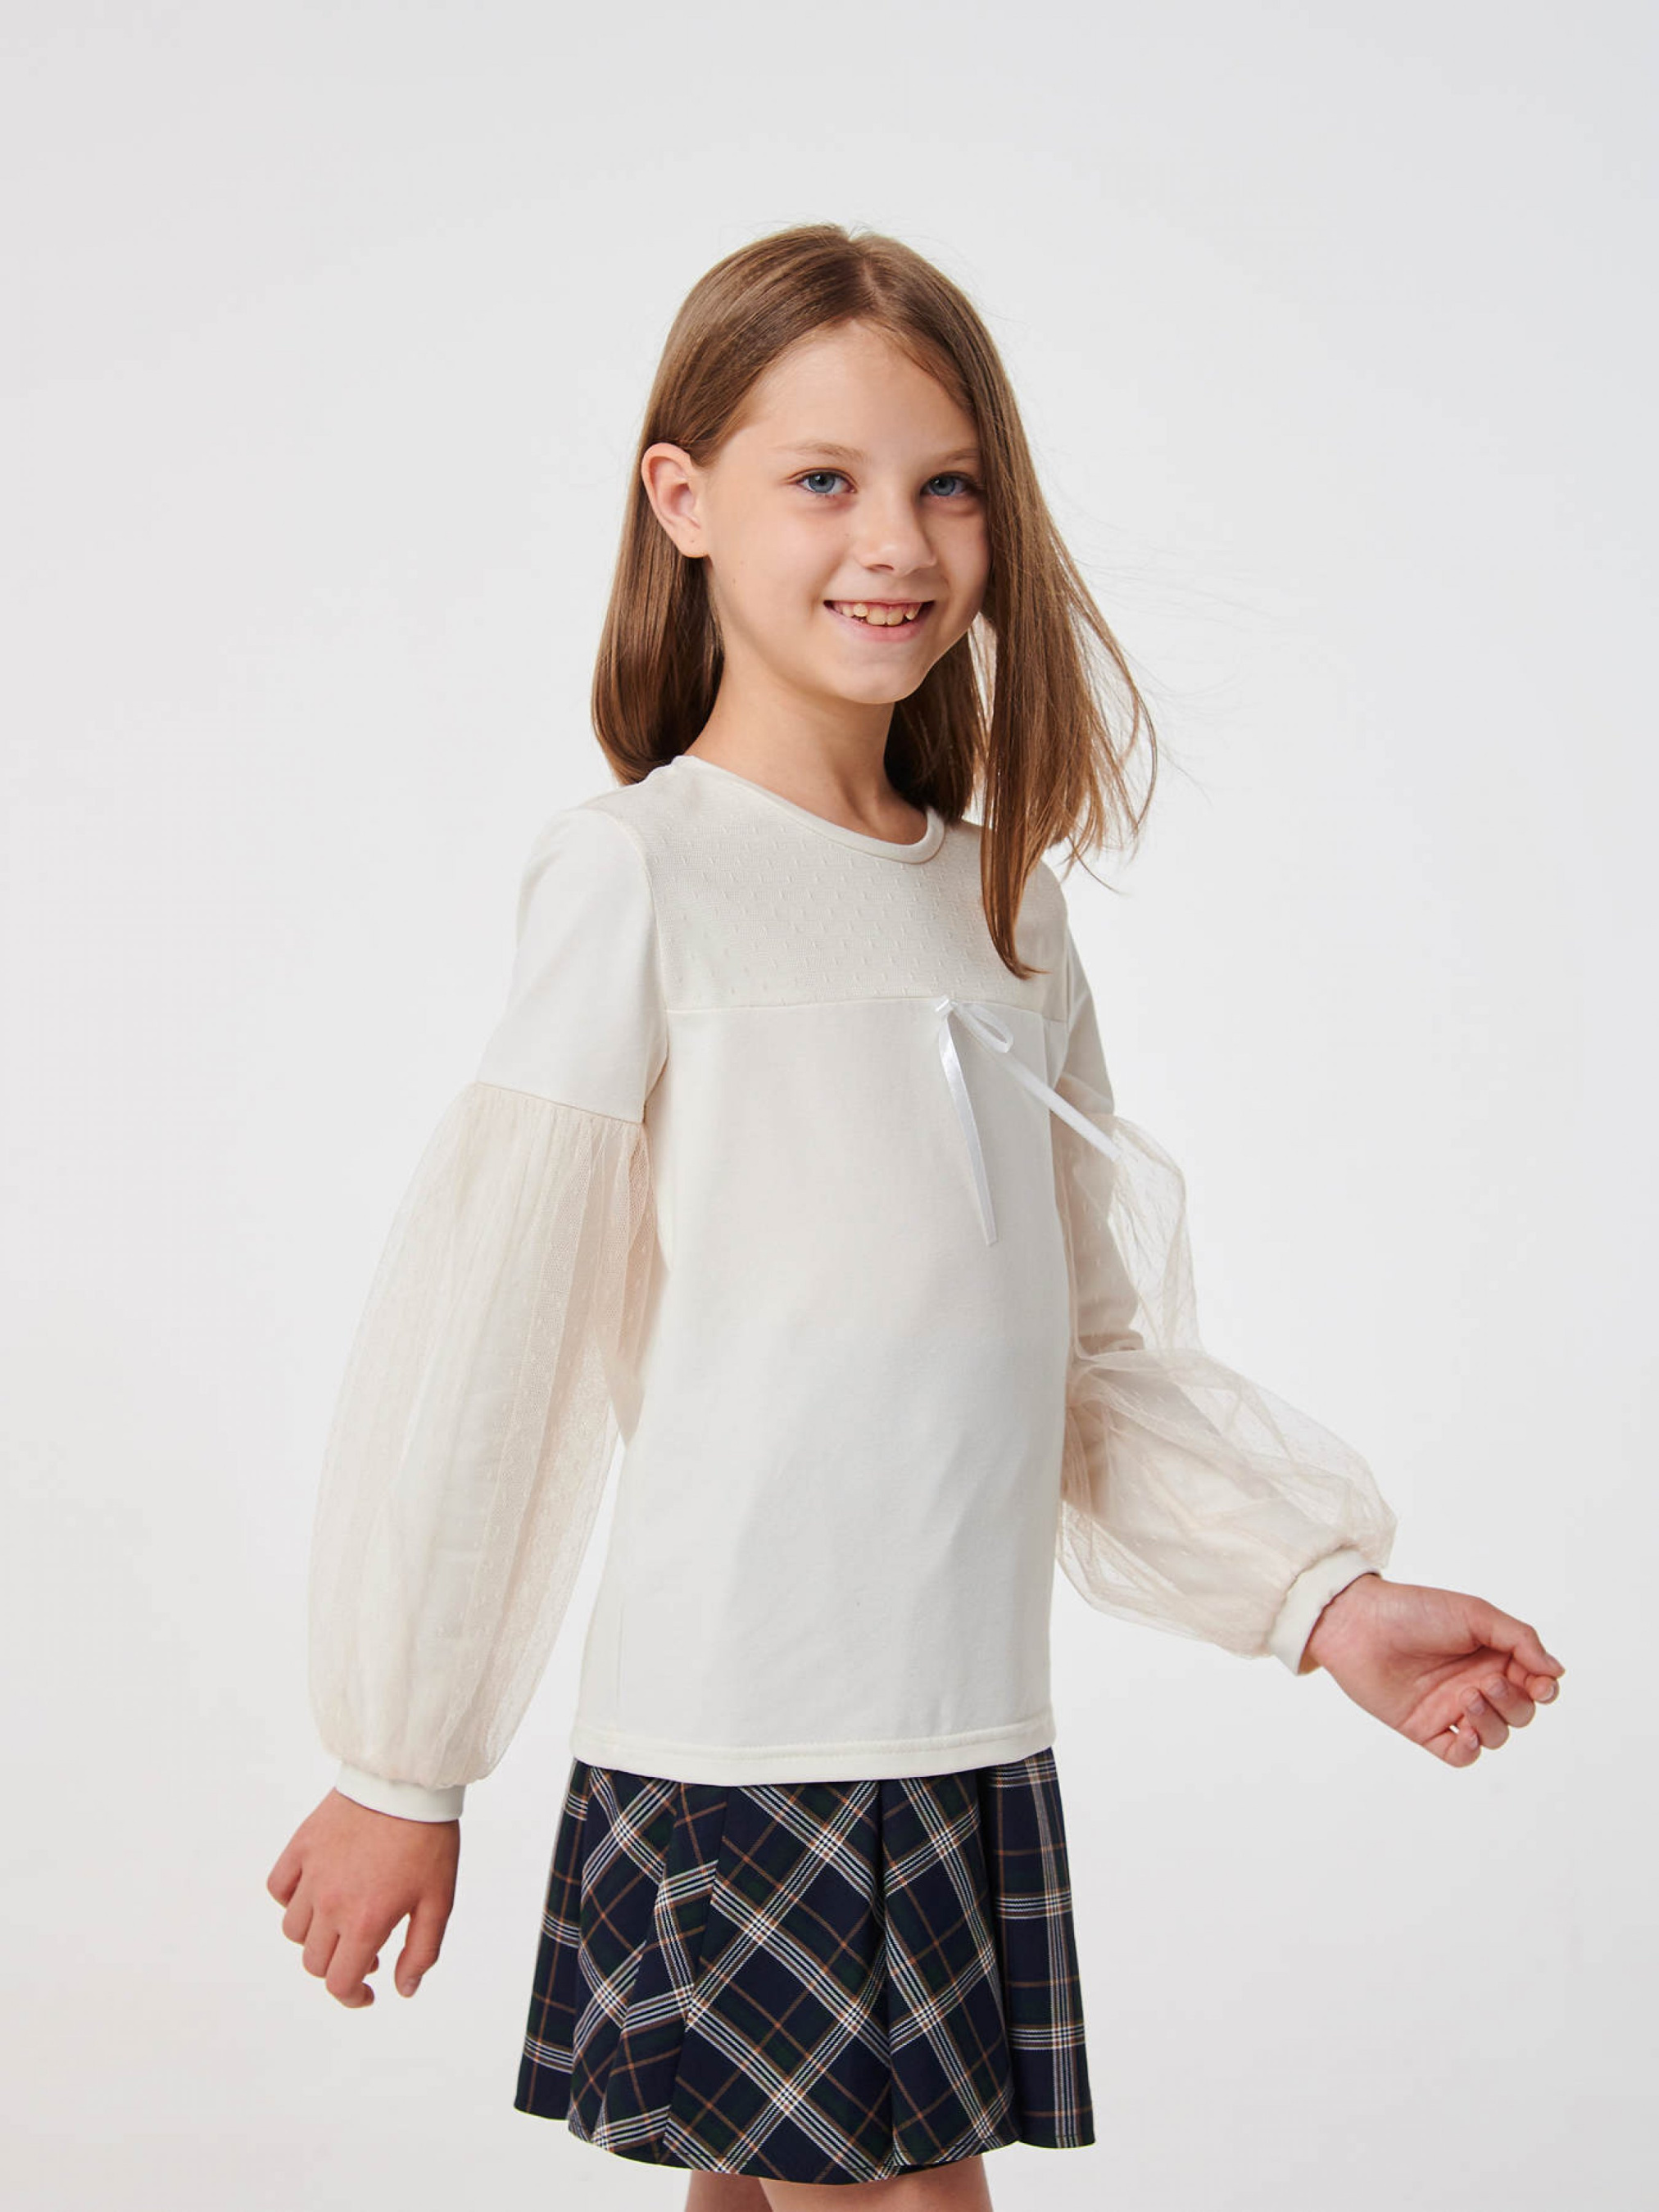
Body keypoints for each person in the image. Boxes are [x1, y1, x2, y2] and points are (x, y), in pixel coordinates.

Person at [266, 224, 1566, 2210]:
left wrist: (1319, 1600)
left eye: (945, 485)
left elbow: (1081, 1359)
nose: (894, 541)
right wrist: (399, 1758)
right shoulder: (640, 878)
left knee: (766, 2188)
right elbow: (488, 1340)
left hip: (950, 1724)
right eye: (824, 479)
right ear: (682, 501)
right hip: (755, 1734)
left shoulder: (1002, 904)